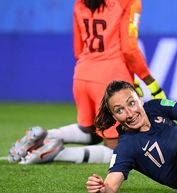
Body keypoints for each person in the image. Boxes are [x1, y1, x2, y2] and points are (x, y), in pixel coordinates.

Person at [8, 0, 166, 165]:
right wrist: (151, 83)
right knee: (116, 150)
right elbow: (129, 49)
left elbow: (78, 49)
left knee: (91, 130)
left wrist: (129, 77)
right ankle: (57, 153)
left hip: (82, 74)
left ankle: (46, 136)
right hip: (109, 78)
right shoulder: (129, 2)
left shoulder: (80, 3)